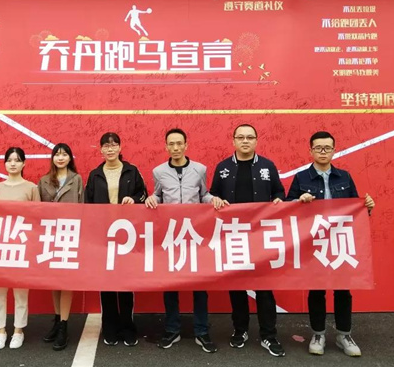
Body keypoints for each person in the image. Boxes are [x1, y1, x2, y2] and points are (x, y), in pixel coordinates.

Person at [286, 131, 375, 357]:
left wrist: (367, 207)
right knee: (316, 289)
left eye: (327, 148)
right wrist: (299, 200)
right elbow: (287, 207)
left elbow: (356, 210)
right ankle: (318, 334)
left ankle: (345, 334)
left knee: (343, 289)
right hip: (313, 241)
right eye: (318, 148)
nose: (323, 152)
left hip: (339, 241)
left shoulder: (344, 176)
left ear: (334, 150)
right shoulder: (301, 178)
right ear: (310, 150)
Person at [209, 124, 286, 357]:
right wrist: (214, 200)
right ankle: (240, 330)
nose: (245, 141)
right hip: (233, 235)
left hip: (260, 235)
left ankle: (268, 335)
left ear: (256, 140)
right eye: (240, 137)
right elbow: (213, 194)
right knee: (237, 287)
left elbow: (279, 192)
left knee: (264, 288)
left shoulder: (267, 166)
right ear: (233, 140)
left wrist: (278, 201)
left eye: (250, 137)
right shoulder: (223, 168)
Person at [145, 128, 224, 353]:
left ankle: (201, 331)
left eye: (179, 143)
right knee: (170, 285)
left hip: (194, 235)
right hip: (171, 236)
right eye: (171, 144)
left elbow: (204, 194)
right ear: (166, 146)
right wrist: (152, 198)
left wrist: (214, 199)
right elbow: (158, 195)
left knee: (200, 286)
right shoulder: (159, 171)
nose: (176, 147)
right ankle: (172, 329)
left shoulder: (200, 169)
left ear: (186, 145)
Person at [85, 132, 147, 347]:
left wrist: (134, 199)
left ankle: (128, 327)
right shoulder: (95, 175)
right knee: (106, 283)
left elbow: (143, 195)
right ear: (100, 149)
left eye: (114, 145)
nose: (110, 149)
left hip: (127, 236)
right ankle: (110, 328)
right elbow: (88, 205)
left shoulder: (131, 171)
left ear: (120, 148)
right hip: (103, 237)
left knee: (126, 283)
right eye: (106, 146)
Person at [0, 147, 41, 350]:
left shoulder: (31, 188)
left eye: (17, 160)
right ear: (4, 163)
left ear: (24, 163)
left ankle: (18, 331)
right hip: (0, 246)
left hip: (21, 246)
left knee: (20, 291)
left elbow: (38, 217)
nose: (13, 164)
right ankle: (0, 331)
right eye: (9, 160)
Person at [38, 143, 84, 351]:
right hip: (50, 235)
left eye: (64, 154)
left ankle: (64, 324)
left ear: (70, 158)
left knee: (66, 281)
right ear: (52, 158)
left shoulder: (77, 179)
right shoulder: (43, 181)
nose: (60, 157)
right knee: (54, 282)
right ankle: (57, 320)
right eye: (57, 154)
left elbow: (83, 207)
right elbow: (37, 210)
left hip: (70, 234)